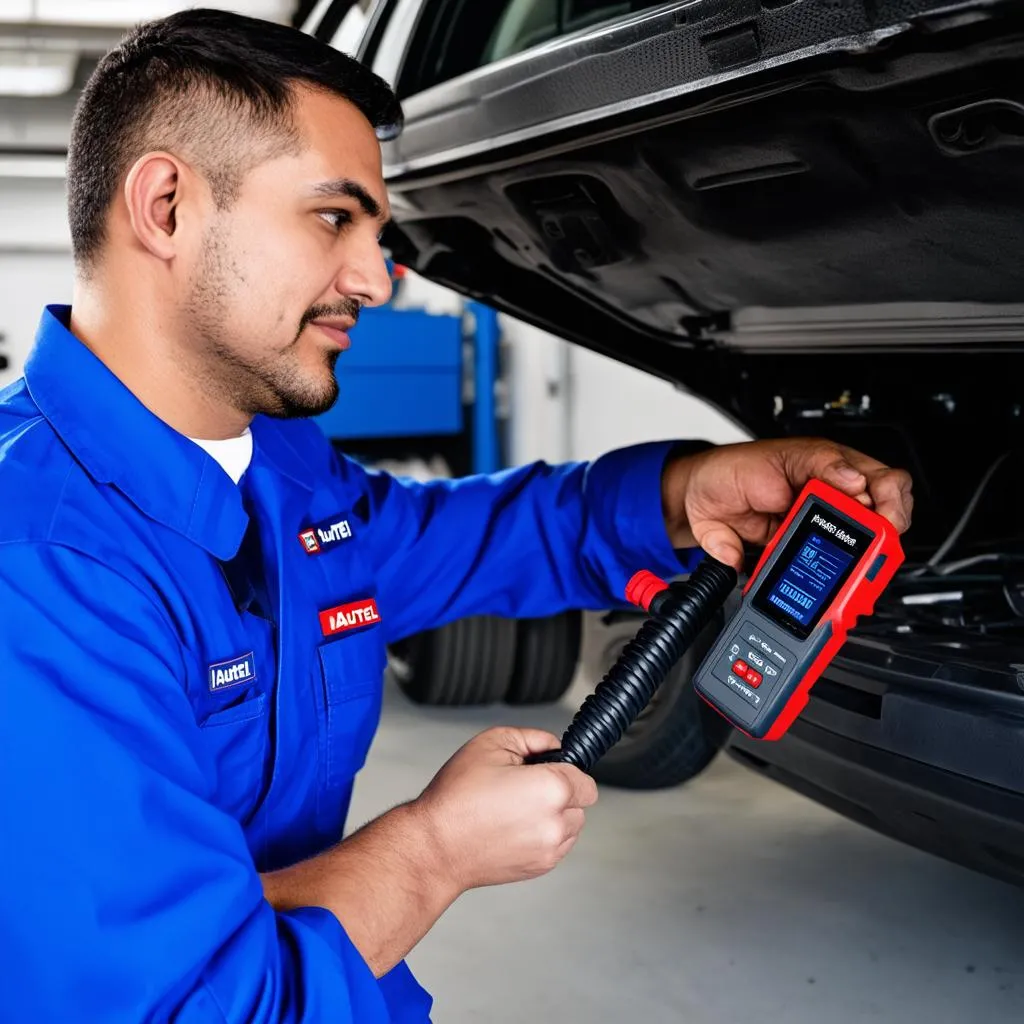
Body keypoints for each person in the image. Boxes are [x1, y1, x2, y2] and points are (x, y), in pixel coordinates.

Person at [0, 9, 913, 1023]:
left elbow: (459, 541)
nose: (376, 278)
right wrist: (432, 848)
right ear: (166, 206)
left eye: (380, 233)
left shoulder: (278, 462)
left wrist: (679, 493)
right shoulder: (36, 568)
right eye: (333, 218)